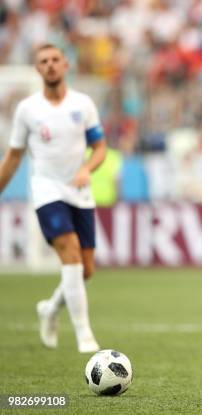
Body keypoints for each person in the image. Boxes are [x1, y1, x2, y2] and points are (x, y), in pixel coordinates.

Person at [0, 44, 106, 353]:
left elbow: (99, 147)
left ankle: (49, 308)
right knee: (70, 251)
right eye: (43, 61)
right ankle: (85, 336)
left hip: (79, 191)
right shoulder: (28, 110)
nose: (50, 65)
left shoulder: (83, 105)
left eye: (55, 60)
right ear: (37, 69)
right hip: (47, 191)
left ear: (66, 65)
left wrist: (87, 168)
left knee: (85, 270)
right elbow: (13, 158)